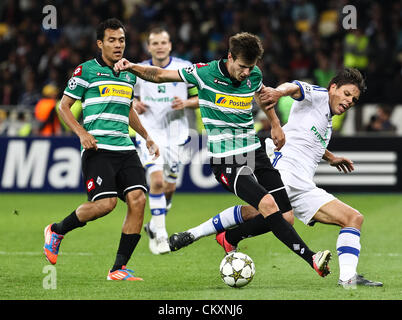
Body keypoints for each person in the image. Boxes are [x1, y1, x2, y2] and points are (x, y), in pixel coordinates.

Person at [114, 32, 332, 278]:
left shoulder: (254, 75)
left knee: (287, 216)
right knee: (268, 205)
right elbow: (160, 75)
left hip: (253, 151)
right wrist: (132, 67)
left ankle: (229, 237)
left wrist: (275, 124)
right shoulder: (205, 73)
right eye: (242, 67)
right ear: (229, 57)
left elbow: (263, 96)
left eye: (251, 67)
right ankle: (312, 258)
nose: (246, 73)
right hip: (227, 159)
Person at [169, 68, 383, 288]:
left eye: (354, 99)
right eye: (347, 94)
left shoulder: (327, 119)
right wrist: (278, 93)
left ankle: (348, 278)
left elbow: (306, 138)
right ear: (333, 87)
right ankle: (196, 234)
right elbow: (295, 86)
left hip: (305, 184)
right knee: (267, 212)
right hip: (285, 170)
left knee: (353, 218)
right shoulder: (317, 95)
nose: (349, 101)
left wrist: (330, 157)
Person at [43, 18, 159, 281]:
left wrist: (146, 136)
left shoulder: (130, 73)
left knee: (138, 200)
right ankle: (57, 230)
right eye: (112, 40)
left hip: (125, 147)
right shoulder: (85, 71)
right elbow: (63, 107)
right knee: (105, 205)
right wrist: (82, 133)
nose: (118, 45)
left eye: (122, 40)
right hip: (99, 148)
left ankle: (118, 269)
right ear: (100, 43)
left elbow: (127, 108)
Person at [133, 27, 199, 255]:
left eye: (163, 42)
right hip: (149, 134)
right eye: (155, 43)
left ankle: (153, 224)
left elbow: (203, 97)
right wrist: (133, 104)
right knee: (157, 182)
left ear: (170, 45)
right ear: (149, 47)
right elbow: (124, 97)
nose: (159, 46)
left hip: (177, 136)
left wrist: (187, 103)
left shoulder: (183, 68)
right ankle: (160, 235)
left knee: (169, 187)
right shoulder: (139, 71)